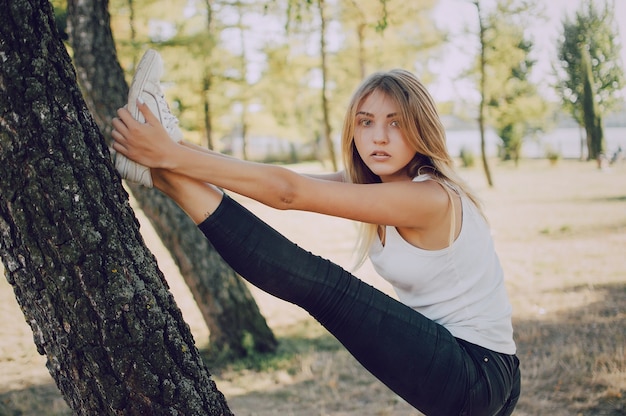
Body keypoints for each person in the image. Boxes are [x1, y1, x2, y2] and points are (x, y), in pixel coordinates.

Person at [111, 49, 521, 416]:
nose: (378, 136)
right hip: (477, 371)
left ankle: (166, 175)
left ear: (421, 129)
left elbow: (289, 194)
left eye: (396, 123)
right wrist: (179, 148)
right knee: (327, 289)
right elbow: (272, 180)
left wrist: (172, 156)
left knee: (327, 289)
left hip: (477, 373)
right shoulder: (377, 184)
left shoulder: (429, 197)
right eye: (366, 122)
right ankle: (164, 174)